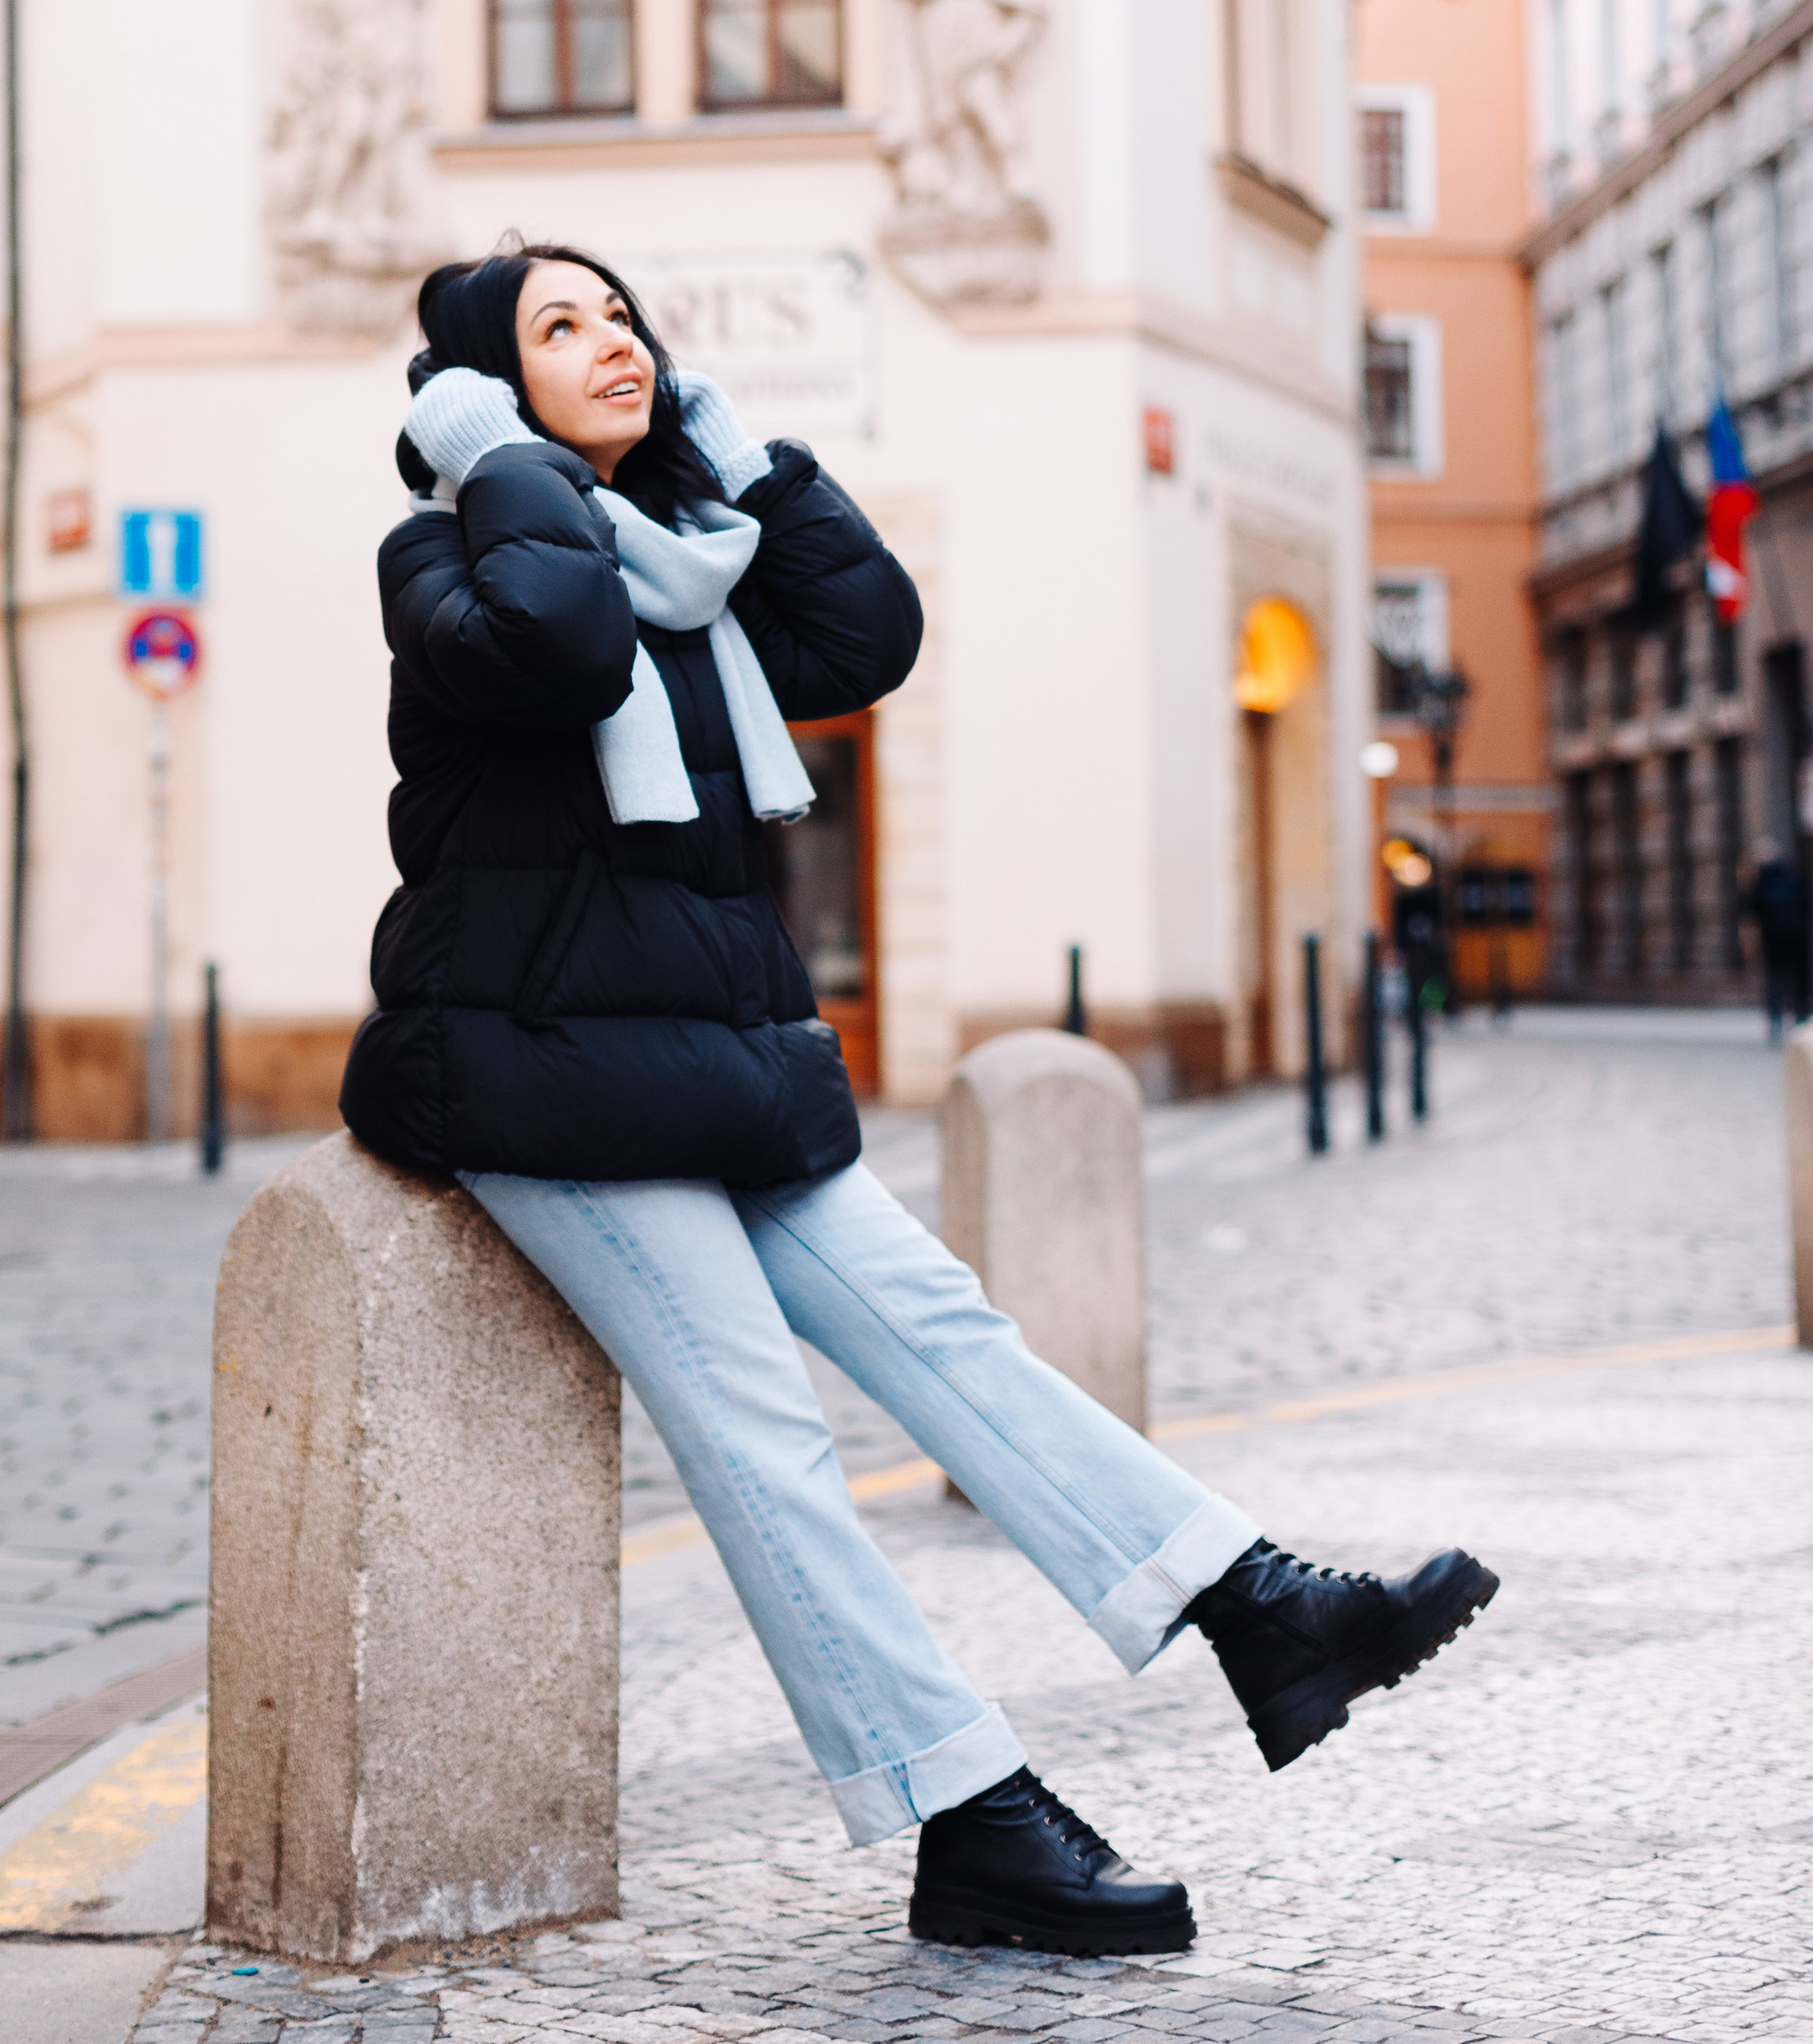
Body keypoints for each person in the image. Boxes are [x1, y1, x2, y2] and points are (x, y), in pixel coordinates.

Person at [342, 242, 1499, 1960]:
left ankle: (1251, 1607)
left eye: (625, 317)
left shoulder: (696, 559)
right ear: (479, 391)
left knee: (950, 1331)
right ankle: (966, 1816)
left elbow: (864, 630)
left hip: (717, 1065)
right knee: (764, 1436)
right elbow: (561, 651)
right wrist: (498, 463)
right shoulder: (448, 555)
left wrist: (733, 452)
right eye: (556, 330)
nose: (615, 346)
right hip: (538, 1077)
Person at [1741, 843, 1810, 1039]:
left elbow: (1752, 907)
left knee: (1775, 978)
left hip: (1773, 936)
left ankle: (1776, 1018)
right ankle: (1801, 1016)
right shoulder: (1793, 874)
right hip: (1798, 934)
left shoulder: (1762, 878)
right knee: (1798, 976)